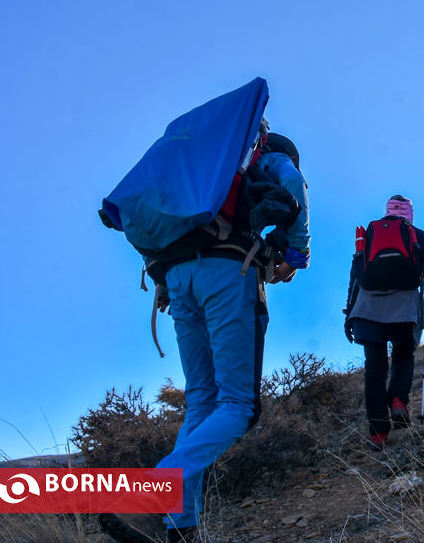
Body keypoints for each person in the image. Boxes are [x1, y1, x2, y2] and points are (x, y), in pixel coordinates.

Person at [101, 131, 310, 543]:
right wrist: (296, 253)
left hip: (178, 278)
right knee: (238, 406)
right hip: (228, 271)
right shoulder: (266, 156)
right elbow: (291, 182)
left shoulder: (196, 167)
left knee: (201, 402)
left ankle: (180, 527)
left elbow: (144, 218)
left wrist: (164, 277)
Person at [344, 195, 424, 450]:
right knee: (404, 355)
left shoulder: (369, 232)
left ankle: (378, 433)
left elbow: (355, 276)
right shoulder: (418, 234)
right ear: (409, 213)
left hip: (367, 309)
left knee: (374, 368)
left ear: (387, 211)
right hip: (404, 309)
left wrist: (349, 315)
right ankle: (397, 400)